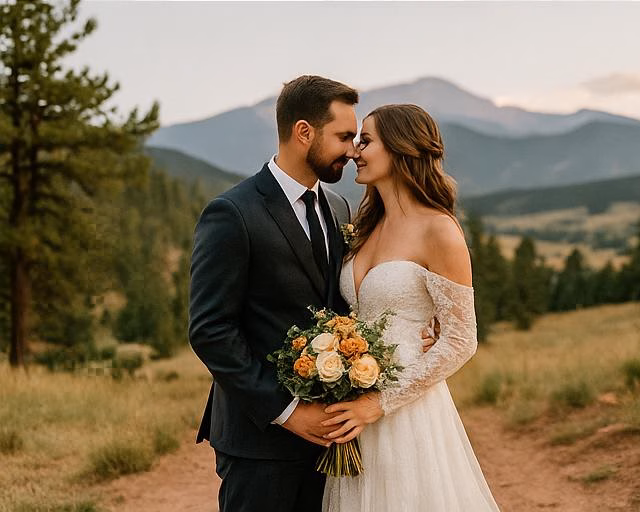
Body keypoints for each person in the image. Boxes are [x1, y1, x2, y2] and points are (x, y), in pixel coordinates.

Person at [188, 77, 437, 512]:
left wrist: (410, 332)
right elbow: (210, 330)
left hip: (333, 439)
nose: (352, 150)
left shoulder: (339, 208)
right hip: (260, 441)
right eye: (343, 137)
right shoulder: (233, 213)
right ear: (304, 132)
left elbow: (346, 306)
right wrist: (287, 411)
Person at [321, 104, 500, 511]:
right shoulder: (365, 227)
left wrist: (378, 404)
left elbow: (461, 340)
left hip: (405, 411)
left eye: (366, 141)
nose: (355, 152)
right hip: (354, 403)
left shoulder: (439, 229)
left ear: (401, 148)